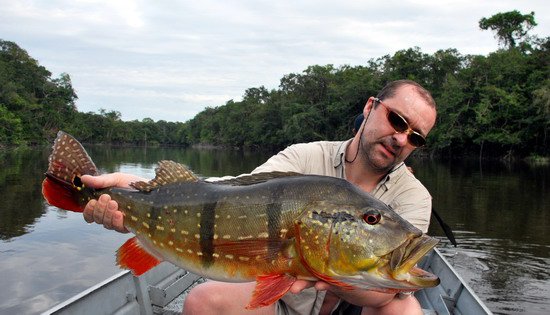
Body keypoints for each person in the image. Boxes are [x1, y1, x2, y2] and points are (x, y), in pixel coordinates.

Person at [81, 79, 437, 315]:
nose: (402, 138)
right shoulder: (304, 158)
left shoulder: (414, 198)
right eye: (397, 120)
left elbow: (381, 294)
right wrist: (127, 187)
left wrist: (328, 276)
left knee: (404, 310)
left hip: (355, 309)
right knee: (204, 301)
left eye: (416, 137)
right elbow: (231, 189)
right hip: (286, 302)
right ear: (370, 107)